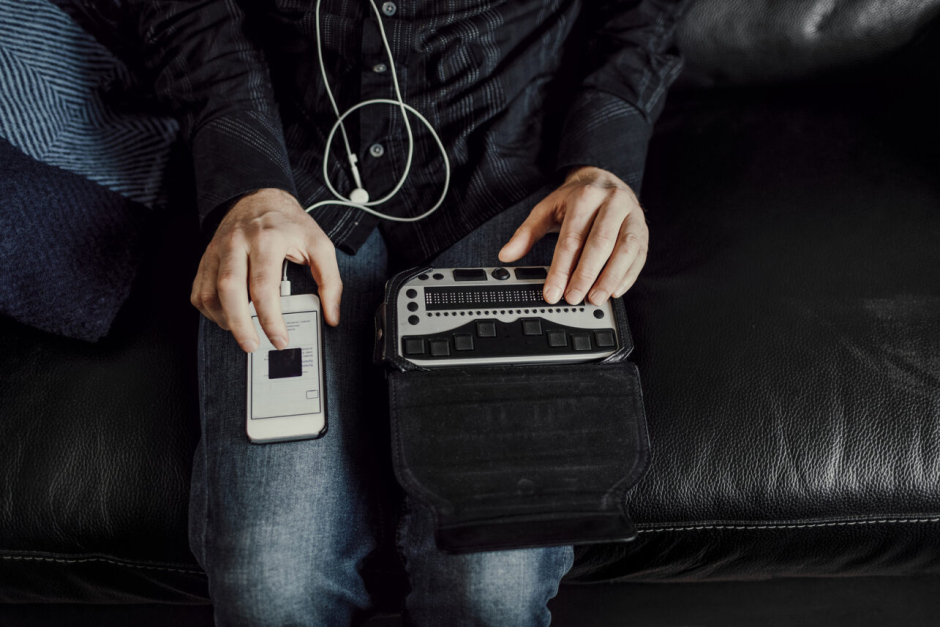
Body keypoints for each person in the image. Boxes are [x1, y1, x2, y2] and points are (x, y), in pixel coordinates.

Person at [131, 0, 686, 624]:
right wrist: (245, 182)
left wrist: (603, 160)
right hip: (295, 174)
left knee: (487, 590)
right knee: (273, 584)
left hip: (513, 177)